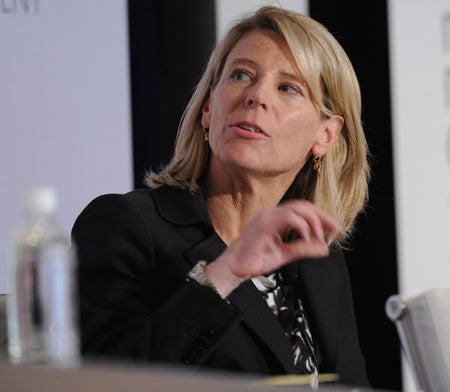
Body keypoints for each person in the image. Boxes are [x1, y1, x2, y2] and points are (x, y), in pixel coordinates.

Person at [71, 5, 371, 388]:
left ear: (325, 136)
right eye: (240, 75)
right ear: (209, 109)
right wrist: (226, 272)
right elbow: (105, 381)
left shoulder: (318, 257)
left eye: (287, 87)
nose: (256, 96)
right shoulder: (125, 226)